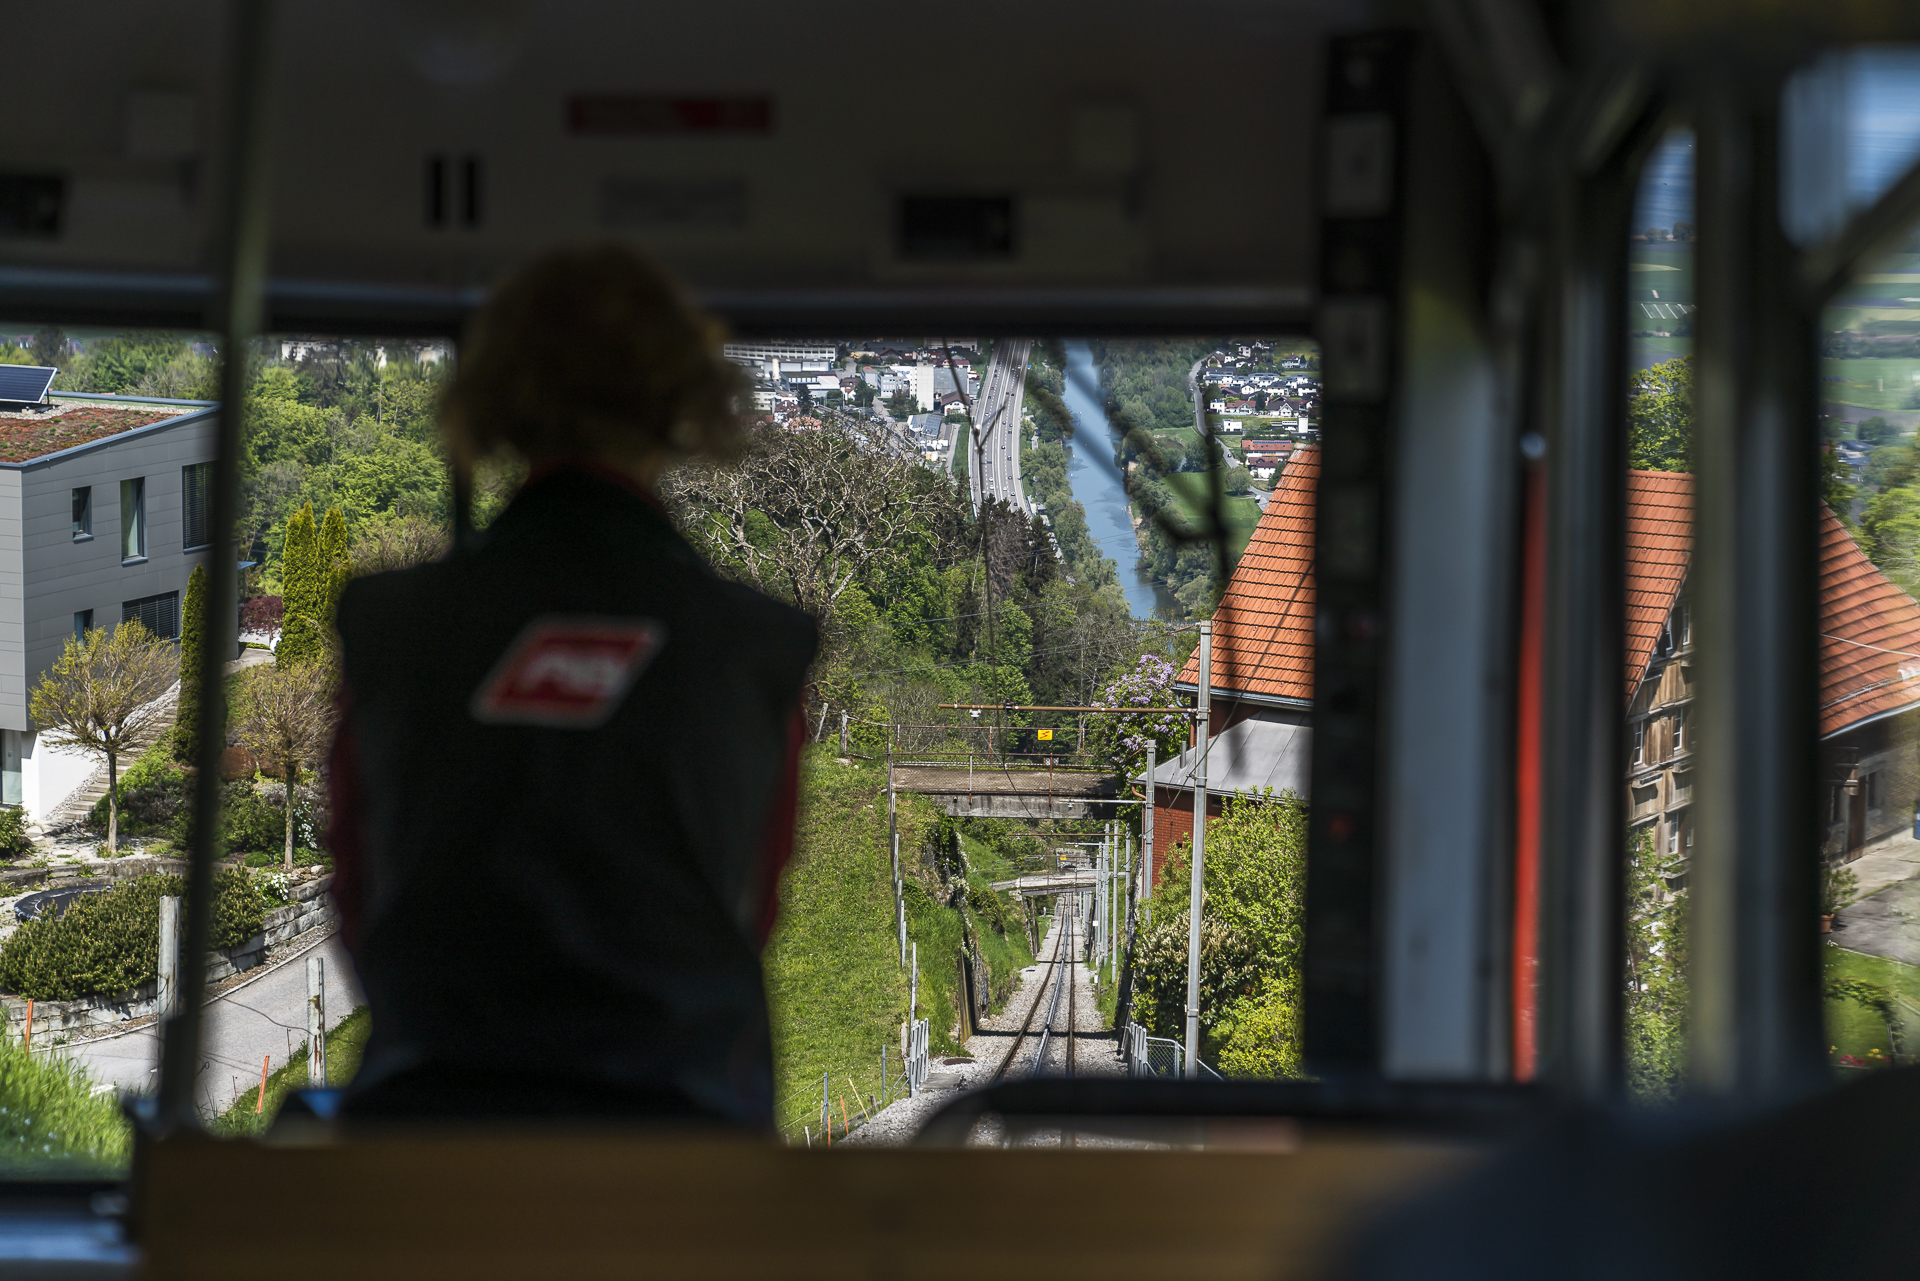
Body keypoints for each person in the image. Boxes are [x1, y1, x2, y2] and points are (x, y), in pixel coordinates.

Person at [326, 245, 817, 1124]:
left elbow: (361, 889)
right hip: (685, 1140)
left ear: (498, 395)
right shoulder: (753, 646)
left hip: (427, 1134)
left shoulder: (392, 627)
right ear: (683, 405)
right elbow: (752, 903)